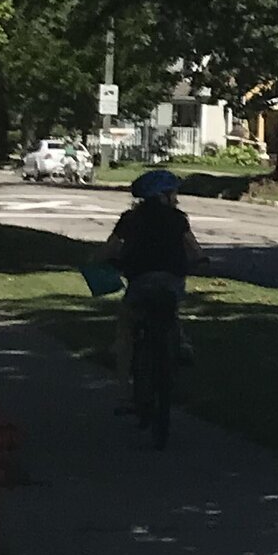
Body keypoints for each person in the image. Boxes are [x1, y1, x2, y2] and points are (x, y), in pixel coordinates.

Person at [104, 168, 204, 396]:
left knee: (127, 324)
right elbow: (193, 248)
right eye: (172, 194)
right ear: (162, 196)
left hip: (140, 281)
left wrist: (101, 260)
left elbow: (111, 247)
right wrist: (200, 260)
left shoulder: (130, 219)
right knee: (171, 310)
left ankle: (123, 391)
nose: (176, 199)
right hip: (172, 280)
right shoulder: (178, 219)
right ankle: (180, 344)